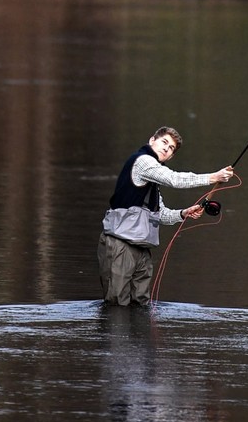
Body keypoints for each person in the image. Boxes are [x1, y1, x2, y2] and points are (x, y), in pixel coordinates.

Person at [98, 126, 234, 307]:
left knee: (141, 305)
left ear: (170, 157)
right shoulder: (143, 161)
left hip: (142, 248)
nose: (166, 148)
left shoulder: (153, 179)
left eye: (171, 149)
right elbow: (174, 179)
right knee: (117, 306)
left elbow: (160, 214)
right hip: (120, 245)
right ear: (152, 140)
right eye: (164, 142)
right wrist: (212, 177)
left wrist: (182, 213)